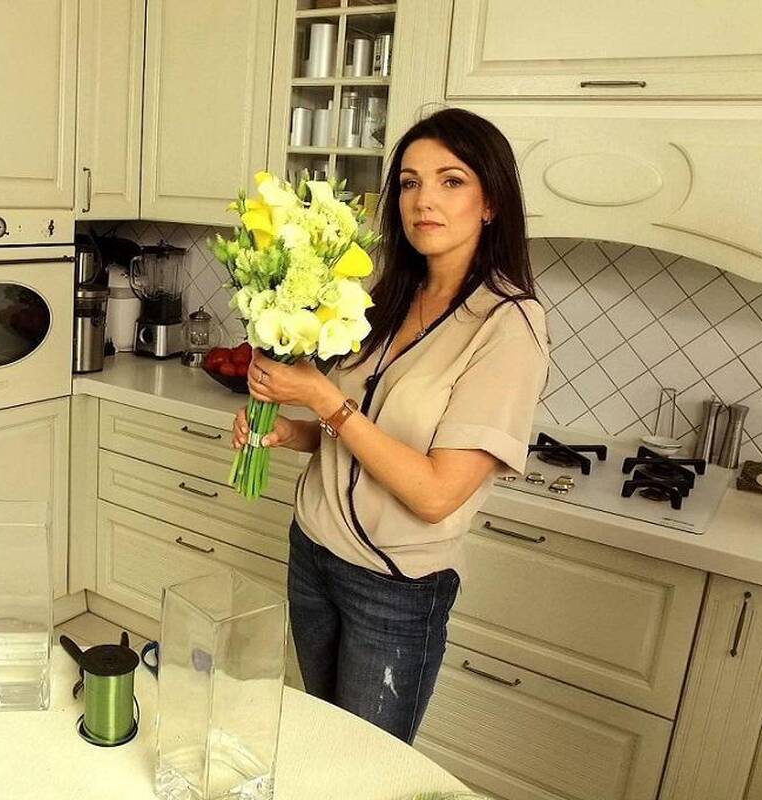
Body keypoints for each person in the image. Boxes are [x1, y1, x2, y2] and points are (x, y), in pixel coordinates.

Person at [230, 108, 549, 743]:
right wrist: (290, 432)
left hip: (393, 588)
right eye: (409, 182)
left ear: (491, 203)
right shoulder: (387, 295)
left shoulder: (508, 327)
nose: (424, 200)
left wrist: (323, 400)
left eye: (451, 181)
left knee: (366, 768)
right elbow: (361, 435)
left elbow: (435, 493)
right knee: (319, 743)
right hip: (313, 553)